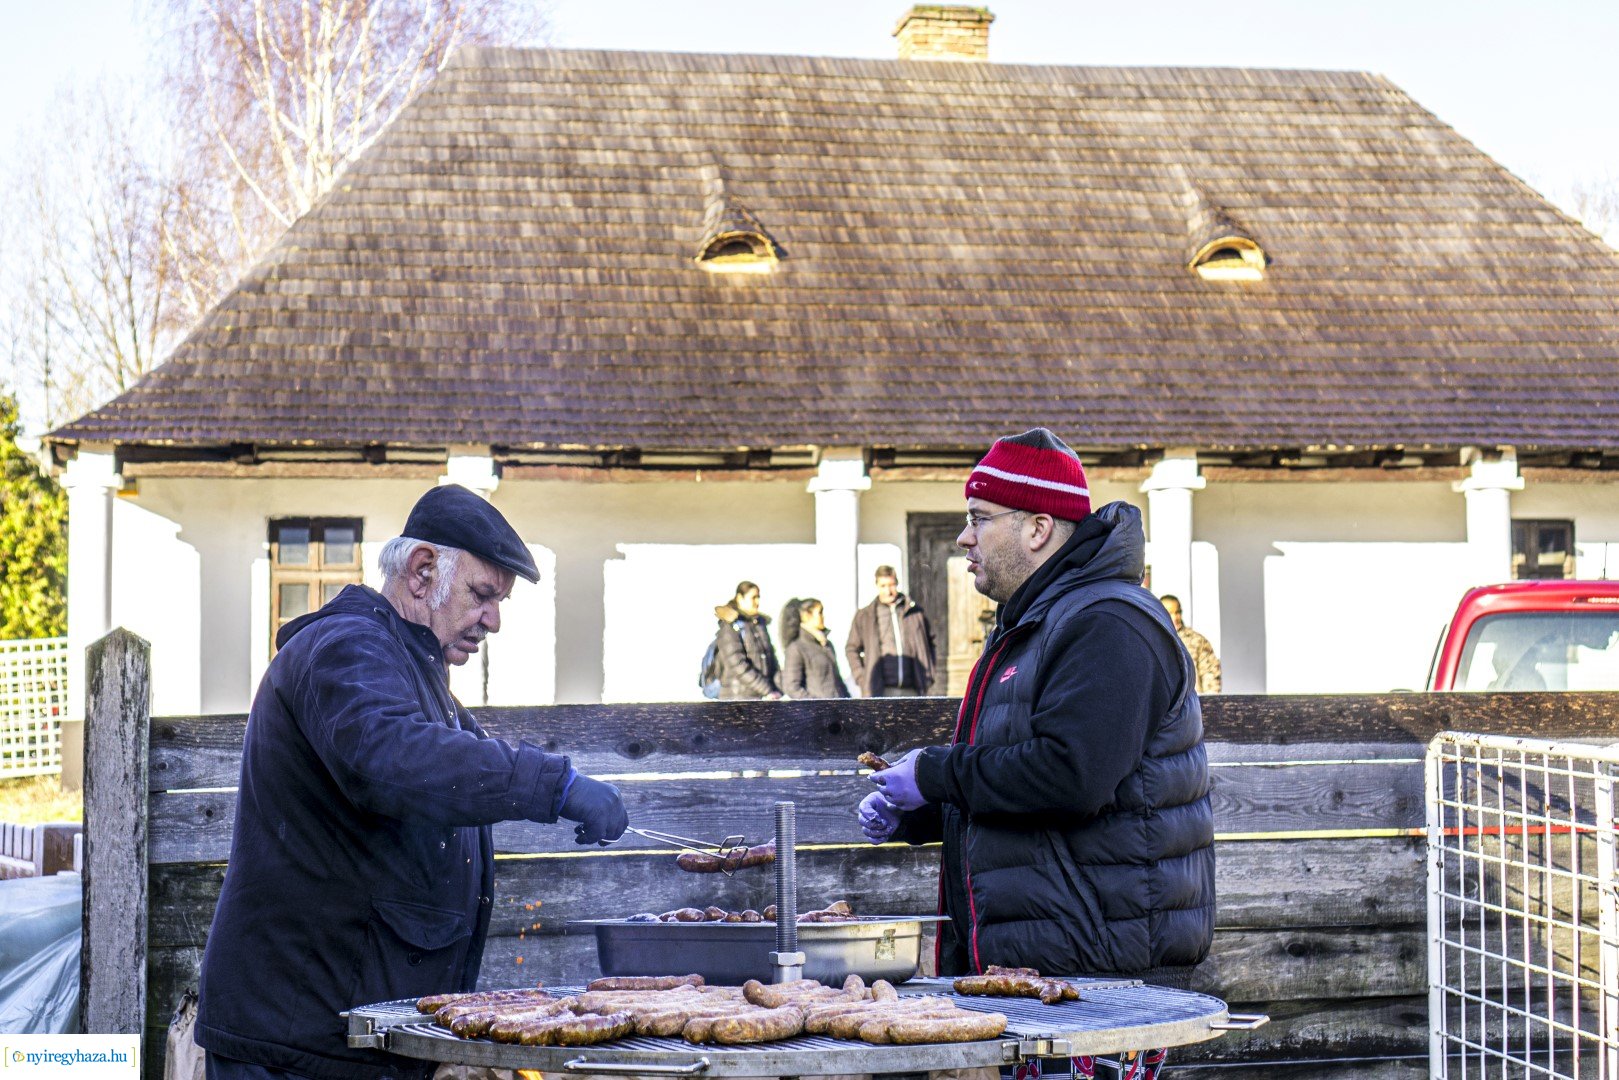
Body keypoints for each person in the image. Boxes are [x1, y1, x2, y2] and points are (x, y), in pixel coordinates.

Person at [196, 484, 629, 1080]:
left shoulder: (411, 673)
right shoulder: (346, 648)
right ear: (423, 570)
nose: (495, 620)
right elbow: (391, 759)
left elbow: (455, 762)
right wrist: (554, 786)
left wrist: (564, 793)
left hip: (345, 1041)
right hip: (297, 1049)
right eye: (483, 594)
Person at [857, 428, 1214, 1080]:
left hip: (1100, 985)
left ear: (1038, 529)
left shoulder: (1107, 623)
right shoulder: (1036, 624)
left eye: (978, 519)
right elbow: (1017, 785)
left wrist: (934, 774)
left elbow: (1071, 776)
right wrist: (920, 811)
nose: (963, 538)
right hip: (1040, 968)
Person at [845, 565, 937, 696]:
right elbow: (851, 649)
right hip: (879, 691)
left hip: (913, 689)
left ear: (897, 583)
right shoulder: (865, 616)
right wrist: (862, 678)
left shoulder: (914, 612)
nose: (888, 591)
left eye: (892, 585)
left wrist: (929, 673)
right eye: (883, 586)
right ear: (877, 585)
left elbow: (931, 643)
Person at [712, 580, 782, 699]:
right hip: (737, 699)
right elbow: (738, 665)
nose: (757, 602)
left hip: (759, 697)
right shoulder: (730, 625)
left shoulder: (759, 624)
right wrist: (767, 690)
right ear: (740, 598)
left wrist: (778, 687)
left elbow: (771, 659)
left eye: (759, 597)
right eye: (753, 597)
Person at [781, 598, 851, 699]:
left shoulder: (827, 644)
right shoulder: (796, 648)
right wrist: (816, 706)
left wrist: (848, 701)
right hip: (817, 712)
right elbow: (792, 687)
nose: (823, 616)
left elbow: (837, 680)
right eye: (820, 612)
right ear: (806, 616)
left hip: (837, 709)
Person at [1161, 594, 1221, 694]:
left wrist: (1208, 704)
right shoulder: (1153, 640)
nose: (1175, 617)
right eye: (1169, 613)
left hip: (1193, 705)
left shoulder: (1198, 641)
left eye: (1178, 612)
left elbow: (1211, 677)